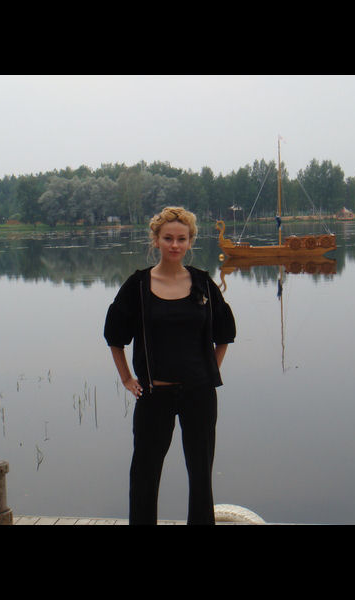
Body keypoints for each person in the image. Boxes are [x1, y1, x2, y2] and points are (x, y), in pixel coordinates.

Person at [104, 206, 236, 525]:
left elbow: (225, 334)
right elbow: (114, 336)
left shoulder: (203, 283)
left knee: (201, 476)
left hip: (199, 396)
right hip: (154, 395)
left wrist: (210, 372)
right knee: (144, 474)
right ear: (156, 240)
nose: (175, 245)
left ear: (190, 241)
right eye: (168, 238)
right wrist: (126, 379)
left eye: (181, 239)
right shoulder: (137, 286)